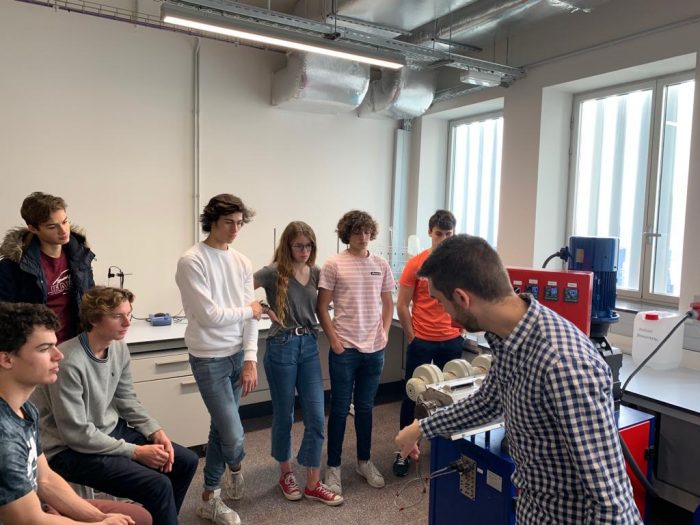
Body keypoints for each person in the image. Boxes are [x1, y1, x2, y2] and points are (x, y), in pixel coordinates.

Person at [395, 235, 642, 524]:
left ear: (462, 298)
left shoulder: (562, 364)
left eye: (440, 302)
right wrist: (420, 428)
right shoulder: (509, 339)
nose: (445, 315)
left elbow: (610, 502)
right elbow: (487, 403)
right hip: (533, 509)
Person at [32, 287, 198, 525]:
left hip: (107, 432)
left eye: (128, 314)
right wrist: (136, 451)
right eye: (117, 316)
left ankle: (159, 518)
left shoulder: (118, 348)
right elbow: (76, 434)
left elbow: (127, 399)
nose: (127, 323)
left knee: (186, 462)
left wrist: (155, 431)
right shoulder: (70, 361)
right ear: (94, 319)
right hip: (69, 449)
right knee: (158, 485)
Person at [0, 302, 152, 525]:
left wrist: (99, 518)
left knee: (140, 517)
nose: (58, 355)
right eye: (44, 349)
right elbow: (29, 519)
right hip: (27, 516)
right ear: (6, 359)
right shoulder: (4, 436)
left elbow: (45, 479)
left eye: (54, 345)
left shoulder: (25, 409)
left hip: (35, 507)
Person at [175, 194, 263, 525]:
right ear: (212, 220)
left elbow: (251, 318)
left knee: (220, 429)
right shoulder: (192, 261)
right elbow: (210, 316)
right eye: (229, 222)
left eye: (240, 223)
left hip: (237, 355)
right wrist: (250, 310)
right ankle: (235, 466)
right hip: (209, 358)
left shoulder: (242, 261)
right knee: (233, 435)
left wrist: (250, 358)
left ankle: (209, 497)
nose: (235, 229)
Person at [254, 221, 343, 506]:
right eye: (298, 246)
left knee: (316, 416)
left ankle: (313, 483)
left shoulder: (316, 272)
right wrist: (263, 307)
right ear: (287, 246)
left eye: (308, 246)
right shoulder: (273, 272)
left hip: (309, 346)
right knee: (285, 414)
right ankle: (286, 474)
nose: (304, 251)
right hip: (282, 345)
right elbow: (239, 289)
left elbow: (324, 304)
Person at [317, 210, 395, 495]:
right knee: (339, 409)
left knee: (365, 408)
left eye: (367, 232)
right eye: (357, 232)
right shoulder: (333, 264)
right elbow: (321, 307)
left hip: (374, 350)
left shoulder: (380, 264)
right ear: (346, 234)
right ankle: (333, 468)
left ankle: (364, 461)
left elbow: (388, 303)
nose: (363, 237)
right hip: (345, 349)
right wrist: (334, 341)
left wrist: (384, 332)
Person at [393, 209, 462, 477]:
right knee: (413, 395)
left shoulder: (459, 265)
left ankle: (446, 451)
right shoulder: (417, 265)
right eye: (438, 234)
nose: (443, 240)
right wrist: (412, 336)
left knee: (451, 397)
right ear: (430, 233)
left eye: (448, 235)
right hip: (422, 340)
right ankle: (403, 451)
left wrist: (460, 330)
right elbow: (402, 304)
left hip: (451, 340)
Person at [0, 192, 95, 344]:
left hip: (76, 343)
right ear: (33, 229)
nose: (63, 231)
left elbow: (90, 298)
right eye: (52, 226)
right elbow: (5, 316)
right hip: (35, 347)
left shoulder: (80, 255)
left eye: (65, 222)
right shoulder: (12, 266)